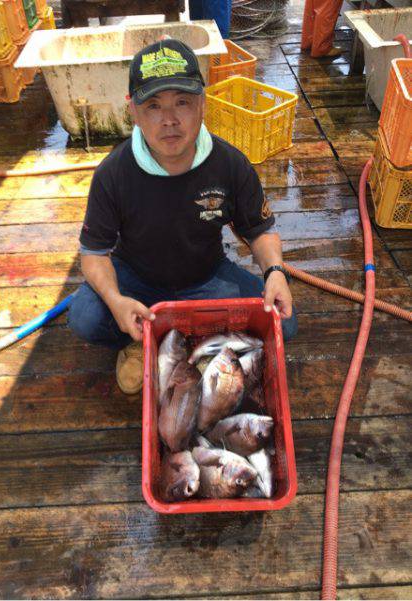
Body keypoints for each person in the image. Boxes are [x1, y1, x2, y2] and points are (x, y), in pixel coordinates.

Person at [68, 38, 297, 395]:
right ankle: (143, 340)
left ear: (203, 104)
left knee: (286, 321)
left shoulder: (231, 164)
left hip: (206, 275)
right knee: (85, 317)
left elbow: (259, 230)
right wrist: (116, 300)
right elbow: (94, 254)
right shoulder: (113, 174)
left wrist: (275, 272)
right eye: (154, 106)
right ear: (133, 111)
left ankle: (181, 344)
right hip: (137, 278)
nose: (170, 120)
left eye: (183, 103)